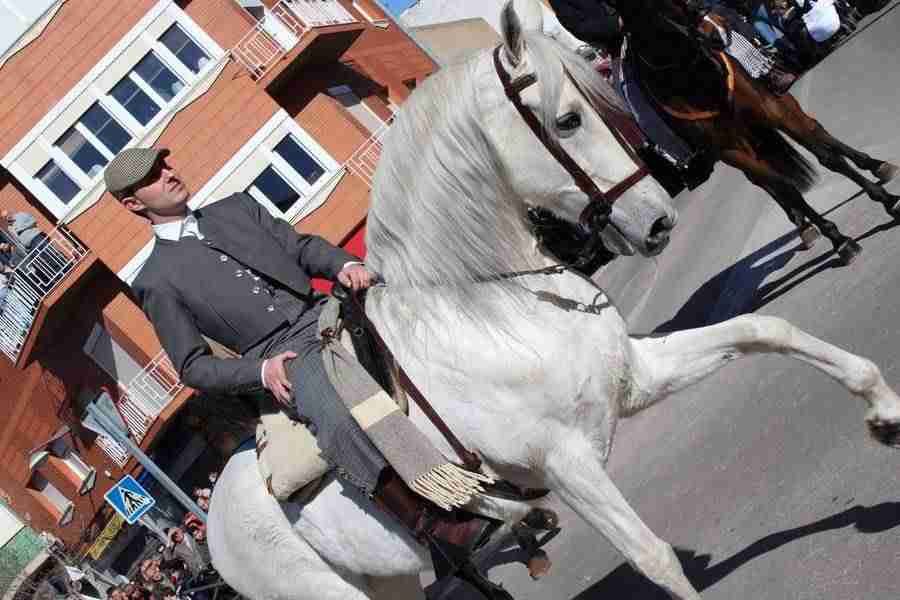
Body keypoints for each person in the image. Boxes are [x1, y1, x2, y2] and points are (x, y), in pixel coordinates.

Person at [104, 147, 498, 568]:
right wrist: (262, 370)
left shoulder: (237, 207)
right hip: (284, 355)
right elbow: (193, 366)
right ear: (133, 203)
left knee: (427, 314)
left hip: (325, 308)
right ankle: (435, 527)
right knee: (339, 417)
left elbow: (301, 248)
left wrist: (343, 263)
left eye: (165, 162)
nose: (168, 172)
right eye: (153, 176)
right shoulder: (155, 280)